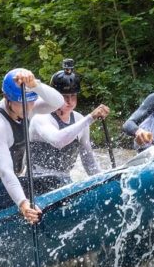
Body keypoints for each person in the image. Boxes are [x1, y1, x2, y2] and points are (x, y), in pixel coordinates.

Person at [0, 68, 64, 222]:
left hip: (12, 185)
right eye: (22, 103)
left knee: (59, 180)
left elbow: (58, 102)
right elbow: (5, 171)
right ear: (7, 98)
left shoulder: (27, 105)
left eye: (31, 101)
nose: (29, 107)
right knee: (56, 183)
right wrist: (23, 204)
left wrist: (35, 84)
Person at [28, 59, 111, 194]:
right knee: (60, 182)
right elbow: (58, 140)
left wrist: (104, 183)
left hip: (64, 183)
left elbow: (89, 163)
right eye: (64, 96)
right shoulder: (40, 117)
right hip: (37, 183)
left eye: (73, 96)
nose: (69, 101)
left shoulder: (79, 119)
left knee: (64, 182)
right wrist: (90, 117)